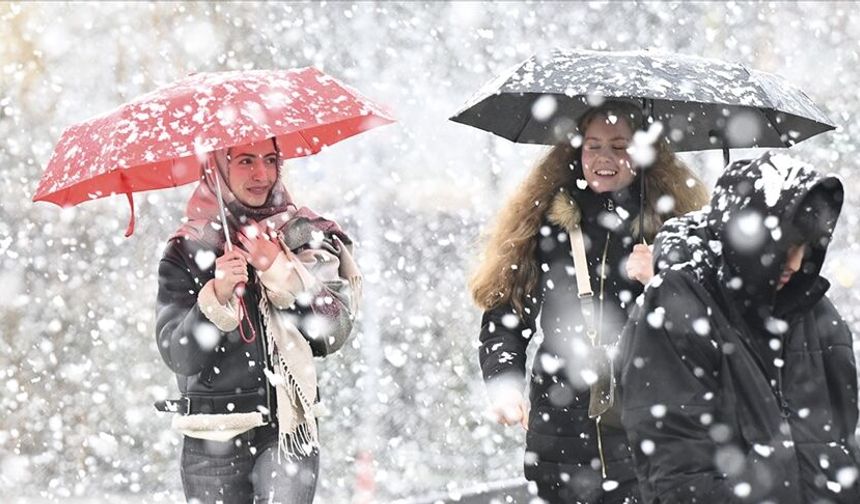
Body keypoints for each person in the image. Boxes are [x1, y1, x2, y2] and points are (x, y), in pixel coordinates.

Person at [470, 100, 709, 503]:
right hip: (560, 438)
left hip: (648, 435)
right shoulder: (544, 225)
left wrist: (664, 279)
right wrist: (504, 383)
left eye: (619, 146)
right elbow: (506, 314)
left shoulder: (678, 235)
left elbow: (707, 333)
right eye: (593, 145)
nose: (604, 158)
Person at [619, 151, 860, 503]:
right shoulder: (679, 303)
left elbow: (842, 441)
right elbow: (677, 467)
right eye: (785, 246)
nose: (795, 262)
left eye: (805, 247)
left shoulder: (816, 311)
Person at [154, 137, 360, 503]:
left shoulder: (304, 234)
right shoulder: (188, 248)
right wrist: (216, 298)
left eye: (270, 159)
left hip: (287, 433)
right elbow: (180, 355)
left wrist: (279, 269)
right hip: (211, 439)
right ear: (216, 167)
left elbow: (333, 331)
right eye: (245, 161)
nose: (261, 174)